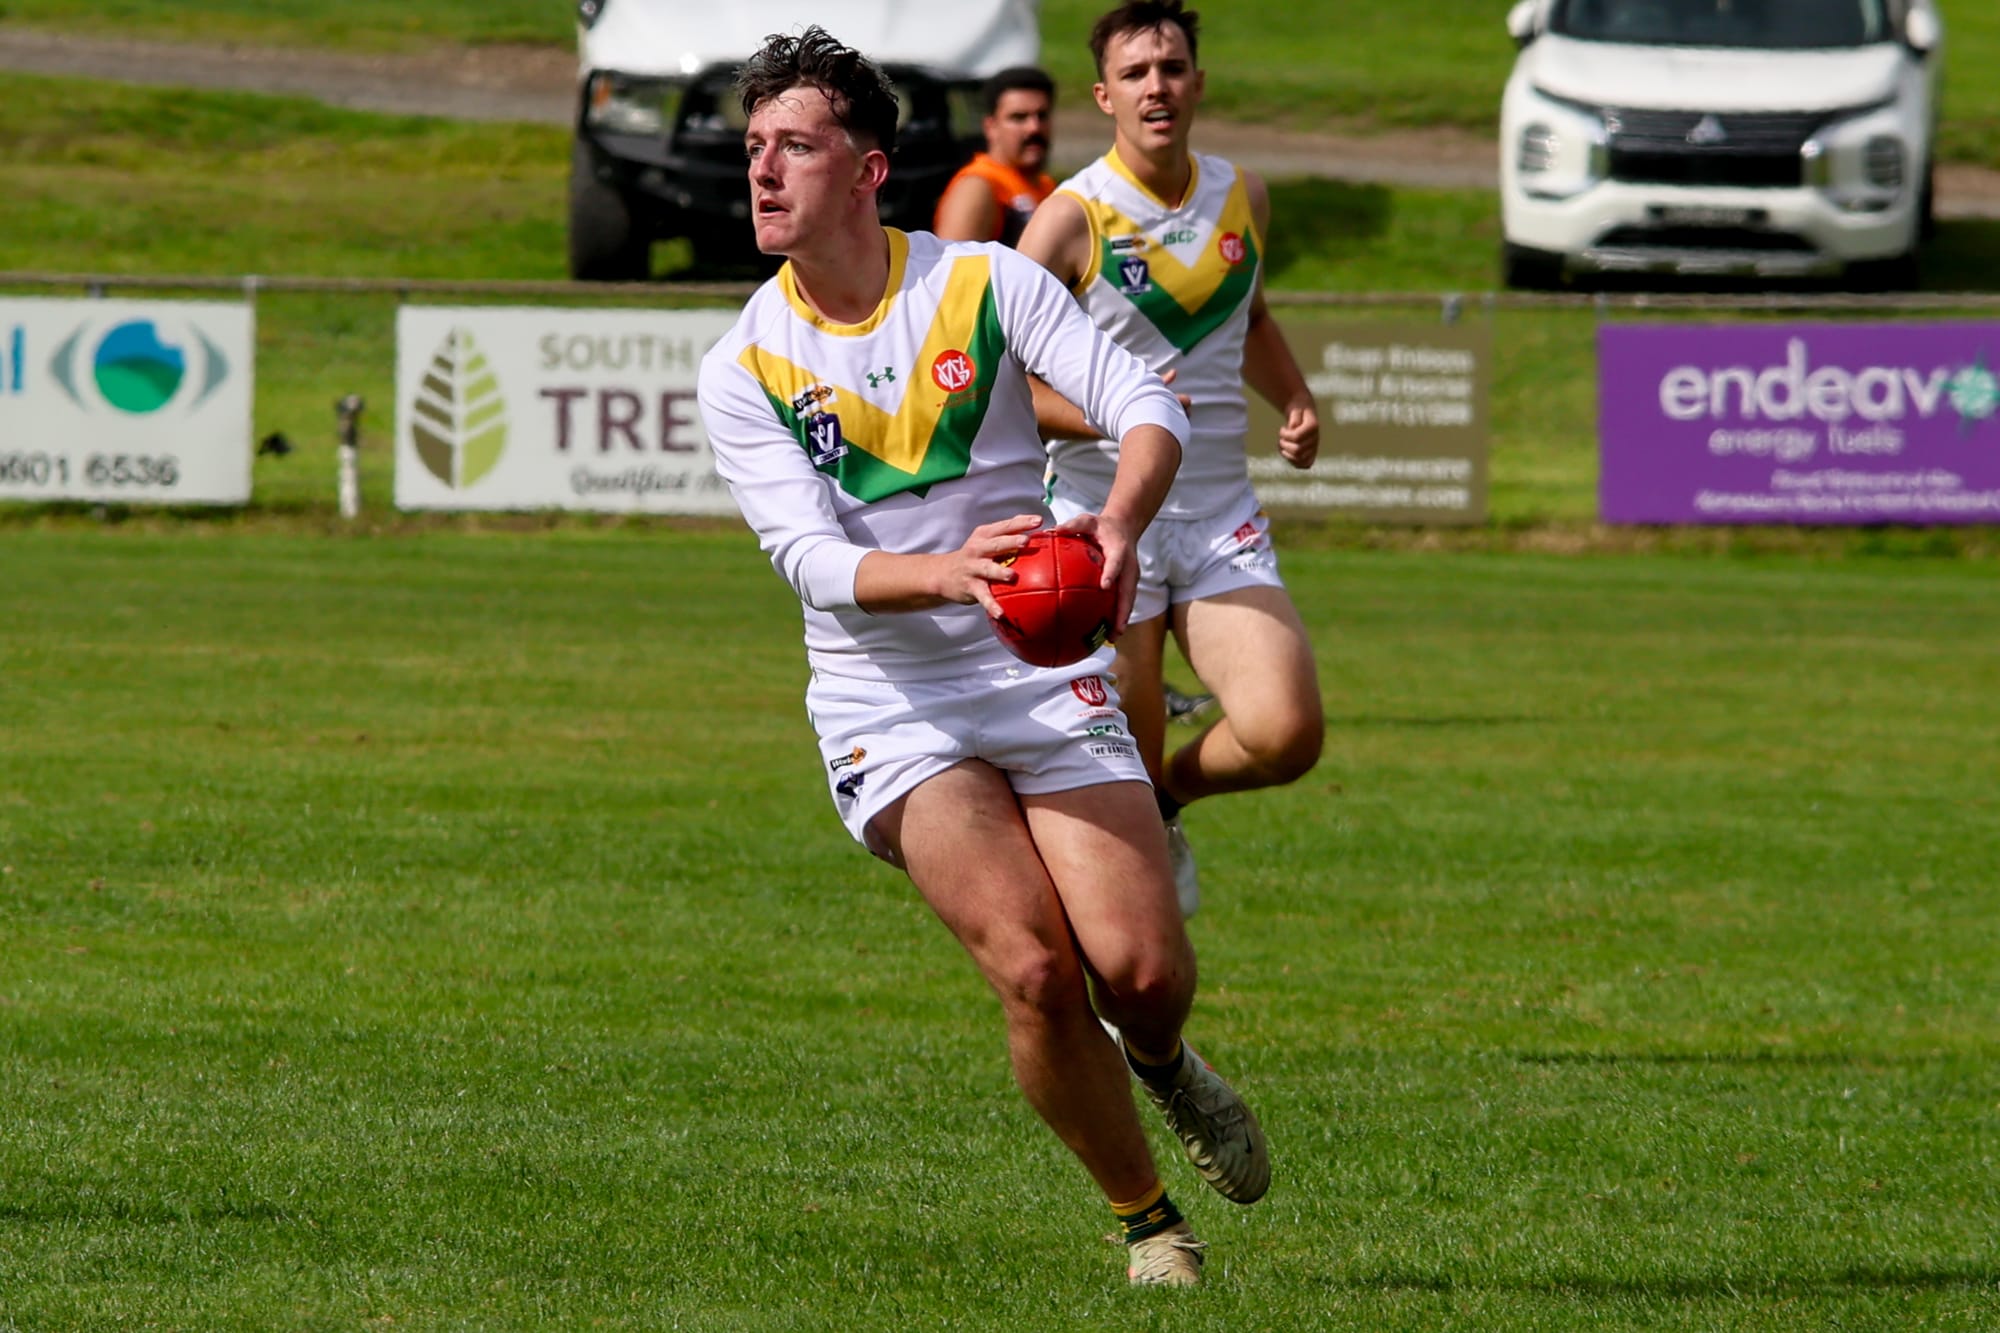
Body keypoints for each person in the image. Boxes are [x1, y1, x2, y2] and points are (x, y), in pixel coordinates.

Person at [694, 26, 1270, 1289]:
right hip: (889, 698)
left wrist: (1111, 526)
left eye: (795, 145)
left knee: (1140, 968)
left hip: (1038, 666)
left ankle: (1165, 1062)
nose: (763, 172)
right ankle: (1148, 1223)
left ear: (867, 169)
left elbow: (1148, 403)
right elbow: (810, 562)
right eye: (752, 150)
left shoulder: (985, 285)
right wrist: (951, 572)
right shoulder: (743, 363)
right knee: (1032, 965)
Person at [1017, 0, 1324, 918]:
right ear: (1104, 94)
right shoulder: (1070, 219)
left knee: (1286, 733)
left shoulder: (1244, 195)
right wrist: (1127, 416)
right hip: (1105, 529)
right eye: (1139, 72)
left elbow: (1253, 319)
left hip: (1223, 514)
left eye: (1173, 67)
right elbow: (1000, 387)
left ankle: (1170, 802)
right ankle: (1128, 1002)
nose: (1159, 85)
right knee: (1124, 766)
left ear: (1198, 83)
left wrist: (1297, 398)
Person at [932, 66, 1058, 246]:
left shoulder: (1046, 185)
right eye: (1018, 117)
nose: (1034, 128)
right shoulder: (978, 187)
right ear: (990, 127)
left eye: (1042, 116)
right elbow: (953, 269)